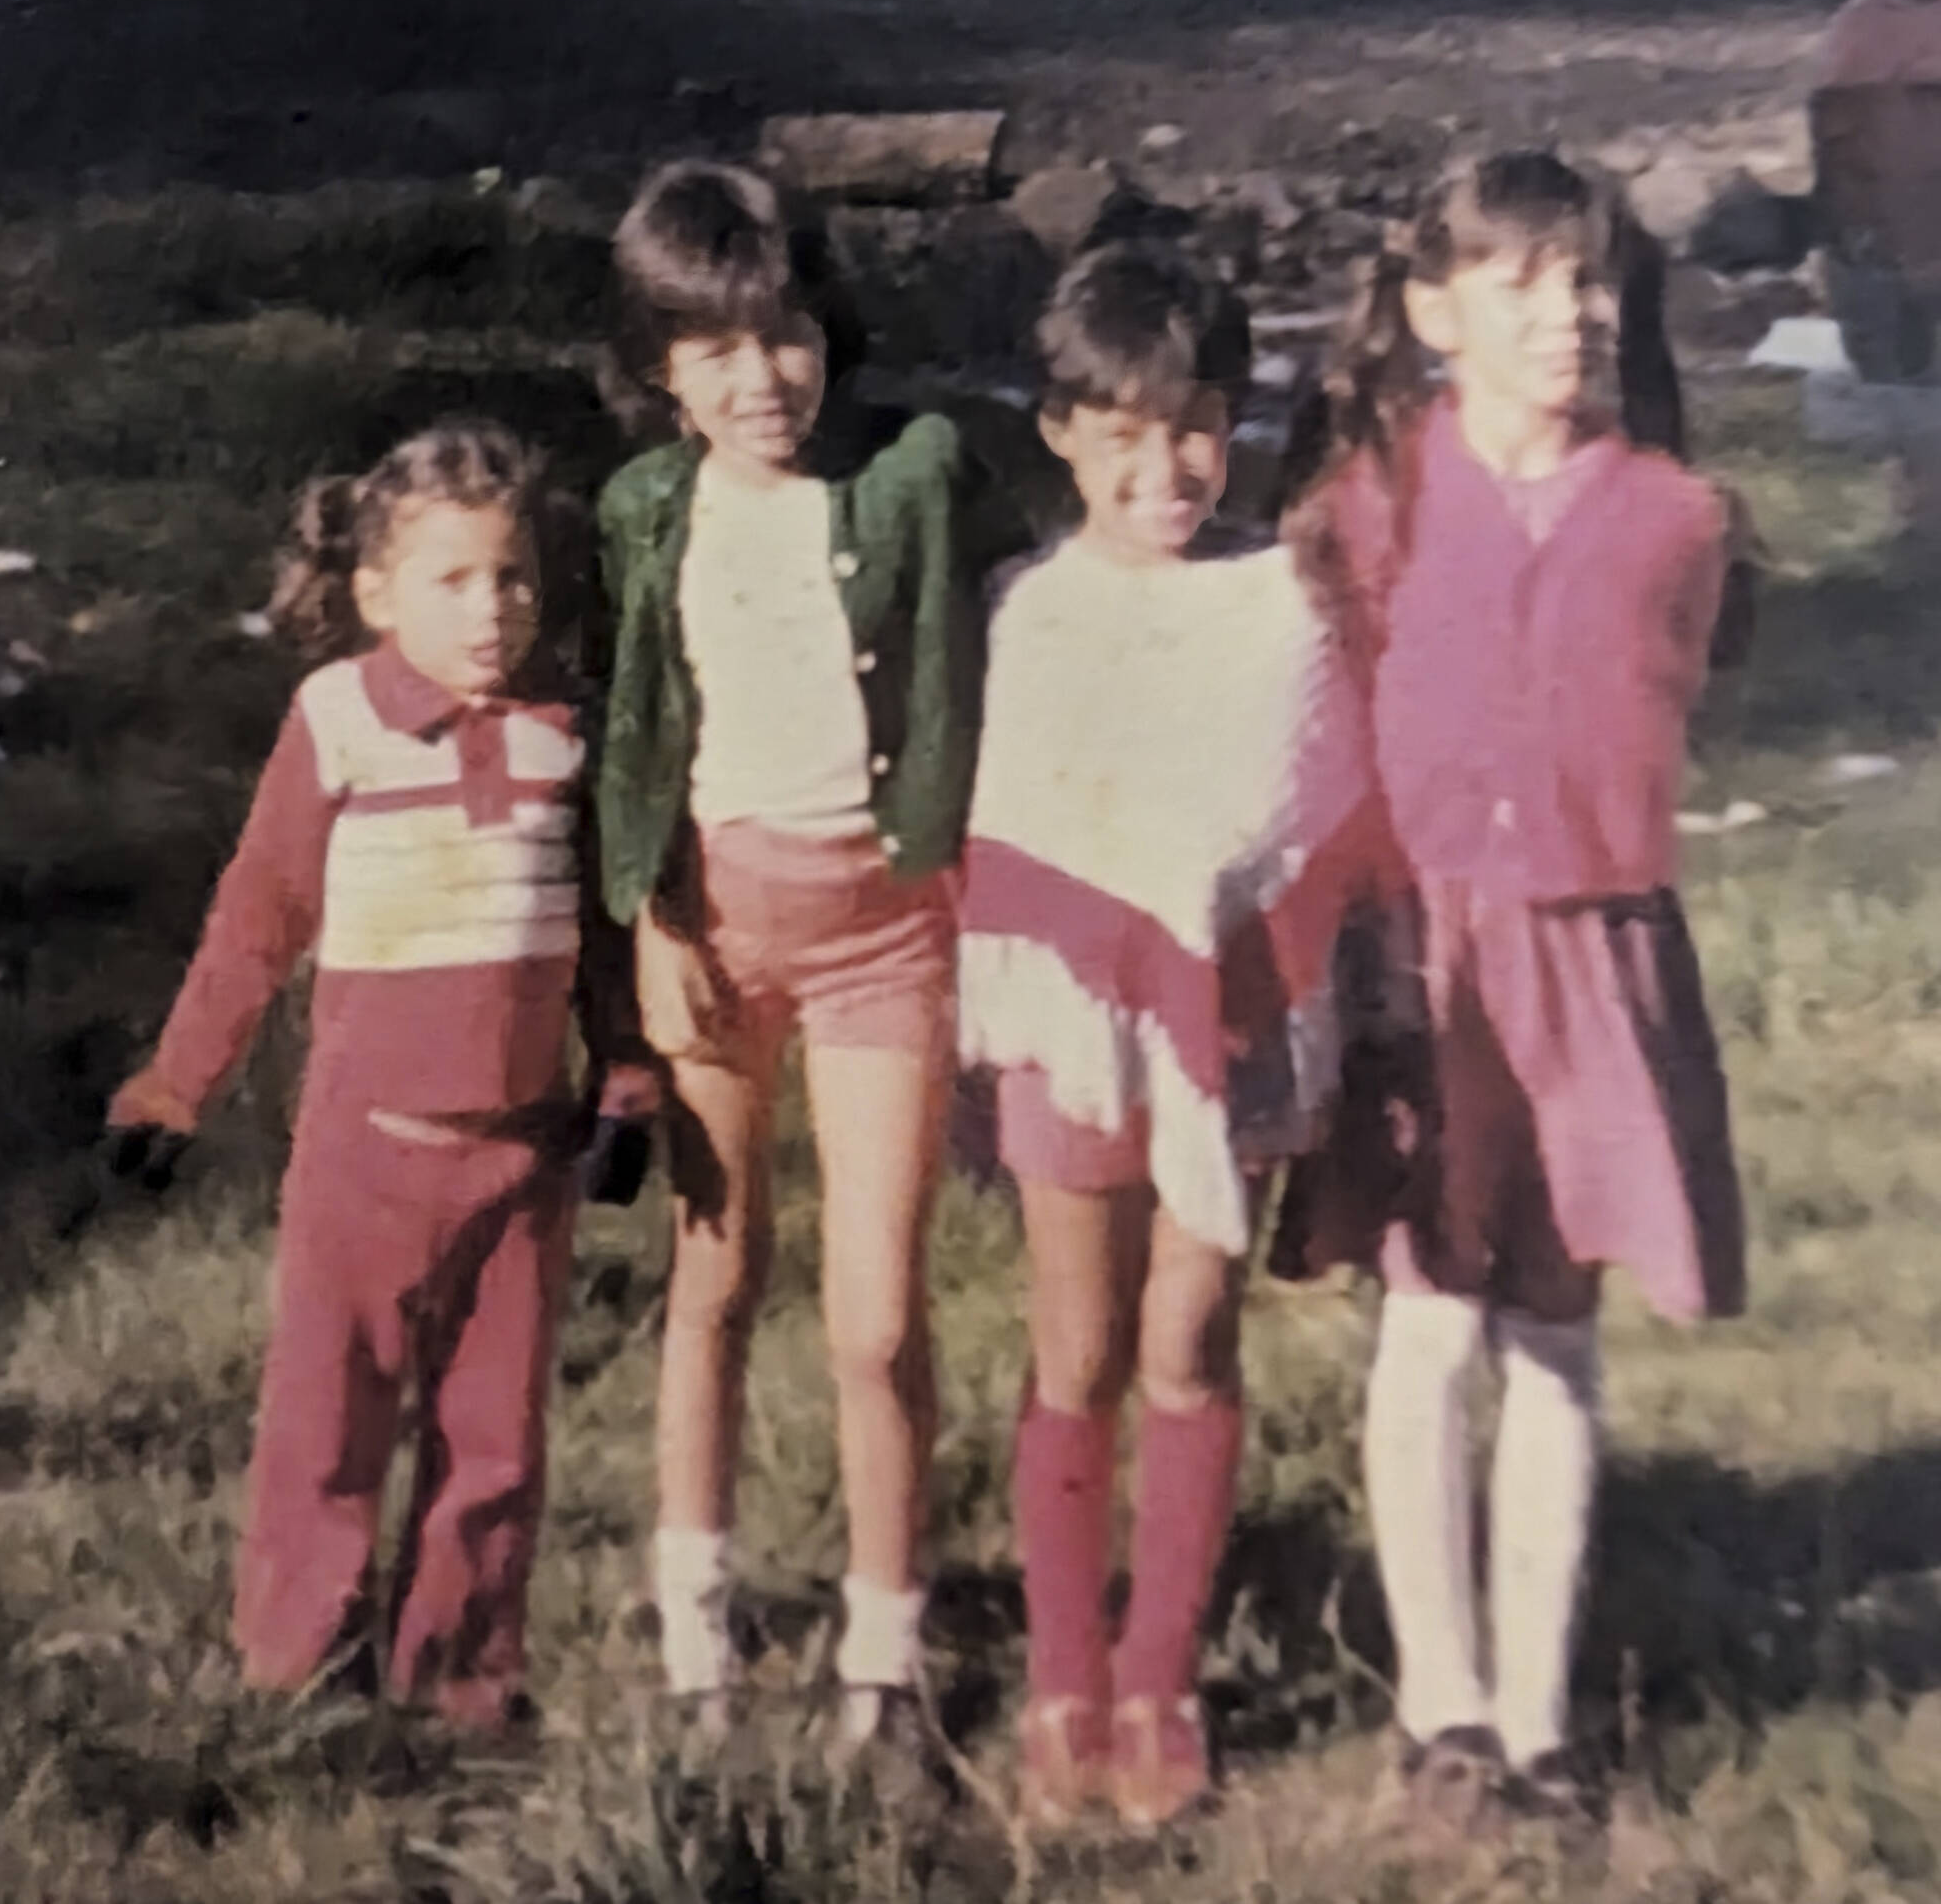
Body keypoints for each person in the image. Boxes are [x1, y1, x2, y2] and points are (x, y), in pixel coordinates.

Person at [1271, 152, 1749, 1825]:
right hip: (1425, 953)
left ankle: (1542, 1723)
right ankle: (1445, 1704)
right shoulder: (1372, 506)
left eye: (1588, 280)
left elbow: (1663, 687)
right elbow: (1330, 743)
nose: (1567, 315)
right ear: (1432, 312)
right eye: (1524, 282)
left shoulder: (1675, 517)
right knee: (1428, 1315)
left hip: (1592, 956)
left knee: (1555, 1328)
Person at [107, 421, 658, 1733]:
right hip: (365, 1153)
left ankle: (459, 1687)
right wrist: (173, 1086)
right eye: (454, 581)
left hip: (523, 1158)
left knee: (497, 1445)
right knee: (328, 1431)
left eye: (514, 577)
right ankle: (293, 1678)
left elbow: (604, 947)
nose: (492, 609)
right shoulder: (337, 718)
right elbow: (261, 914)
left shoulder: (562, 733)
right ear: (376, 594)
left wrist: (628, 1082)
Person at [593, 160, 1019, 1744]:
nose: (756, 379)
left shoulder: (916, 470)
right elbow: (637, 731)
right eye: (710, 350)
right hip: (712, 935)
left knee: (878, 1317)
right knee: (712, 1282)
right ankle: (698, 1628)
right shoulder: (647, 511)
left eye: (781, 338)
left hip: (884, 938)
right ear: (656, 369)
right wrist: (646, 924)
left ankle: (885, 1650)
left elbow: (1055, 544)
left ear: (826, 333)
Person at [956, 244, 1381, 1831]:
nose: (1169, 467)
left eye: (1199, 424)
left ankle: (1161, 1678)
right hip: (1069, 1035)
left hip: (1244, 1029)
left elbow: (1317, 817)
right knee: (1076, 1345)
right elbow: (1010, 839)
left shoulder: (1283, 602)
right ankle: (1066, 1674)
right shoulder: (1029, 613)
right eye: (1127, 433)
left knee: (1190, 1343)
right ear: (1062, 430)